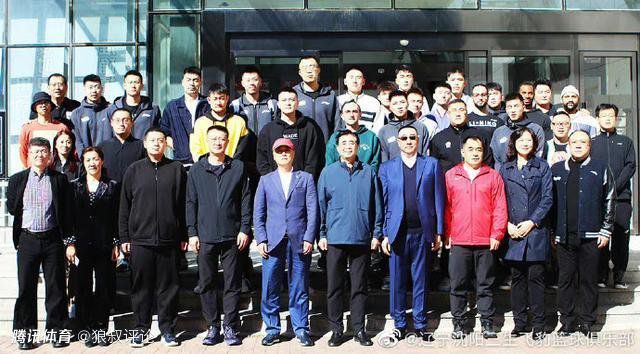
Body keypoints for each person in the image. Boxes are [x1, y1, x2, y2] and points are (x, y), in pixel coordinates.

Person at [119, 127, 188, 347]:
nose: (157, 144)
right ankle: (141, 329)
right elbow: (124, 207)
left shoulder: (176, 169)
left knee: (169, 287)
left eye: (160, 140)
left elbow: (185, 205)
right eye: (152, 140)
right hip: (140, 240)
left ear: (166, 144)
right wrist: (124, 238)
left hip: (169, 240)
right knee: (141, 288)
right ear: (145, 143)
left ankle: (168, 329)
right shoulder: (134, 170)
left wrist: (185, 233)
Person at [379, 126, 446, 342]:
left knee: (421, 280)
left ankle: (420, 324)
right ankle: (399, 324)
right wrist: (384, 233)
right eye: (404, 138)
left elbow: (439, 199)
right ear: (397, 142)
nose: (408, 141)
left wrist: (438, 231)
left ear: (418, 141)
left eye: (412, 138)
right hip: (397, 232)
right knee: (397, 281)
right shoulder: (387, 167)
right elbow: (383, 202)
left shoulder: (431, 164)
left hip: (423, 232)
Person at [186, 125, 251, 346]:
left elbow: (245, 200)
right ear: (206, 141)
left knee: (232, 283)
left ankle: (230, 326)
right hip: (204, 235)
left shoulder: (238, 167)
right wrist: (192, 232)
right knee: (206, 283)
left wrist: (244, 228)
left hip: (232, 235)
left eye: (222, 139)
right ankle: (212, 326)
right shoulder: (196, 169)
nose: (218, 143)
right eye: (213, 139)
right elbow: (190, 202)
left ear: (228, 141)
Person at [318, 130, 382, 347]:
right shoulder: (328, 172)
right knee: (334, 287)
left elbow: (377, 205)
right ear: (337, 148)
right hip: (335, 237)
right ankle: (336, 329)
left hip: (361, 237)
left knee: (359, 287)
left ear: (358, 146)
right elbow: (321, 207)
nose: (348, 146)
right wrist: (322, 233)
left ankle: (359, 329)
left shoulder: (369, 172)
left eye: (352, 143)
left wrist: (376, 233)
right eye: (344, 143)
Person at [7, 137, 72, 349]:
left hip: (52, 239)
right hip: (27, 240)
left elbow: (66, 211)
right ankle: (25, 335)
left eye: (44, 151)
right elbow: (11, 207)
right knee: (26, 289)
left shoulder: (59, 179)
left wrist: (69, 241)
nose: (40, 155)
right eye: (35, 152)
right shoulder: (17, 179)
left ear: (50, 155)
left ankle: (57, 333)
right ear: (28, 155)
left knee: (56, 288)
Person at [253, 138, 318, 347]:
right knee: (270, 286)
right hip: (272, 240)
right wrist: (261, 238)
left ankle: (300, 329)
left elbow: (313, 210)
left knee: (299, 286)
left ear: (293, 153)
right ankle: (272, 329)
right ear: (273, 155)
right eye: (279, 151)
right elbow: (259, 212)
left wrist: (310, 236)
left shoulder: (305, 178)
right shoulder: (265, 180)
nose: (283, 154)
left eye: (287, 150)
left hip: (299, 240)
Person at [551, 129, 616, 338]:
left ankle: (588, 321)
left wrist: (606, 229)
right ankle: (567, 322)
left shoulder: (601, 168)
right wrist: (553, 231)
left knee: (589, 280)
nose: (578, 145)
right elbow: (550, 203)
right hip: (564, 236)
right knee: (565, 280)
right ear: (568, 145)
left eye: (583, 142)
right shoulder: (557, 169)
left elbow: (610, 199)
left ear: (590, 146)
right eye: (575, 142)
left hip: (592, 236)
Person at [444, 135, 507, 340]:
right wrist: (447, 233)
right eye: (470, 149)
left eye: (478, 149)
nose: (475, 152)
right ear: (462, 151)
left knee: (485, 284)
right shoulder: (452, 175)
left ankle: (487, 322)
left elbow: (500, 207)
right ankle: (459, 323)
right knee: (458, 284)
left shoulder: (493, 175)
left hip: (485, 240)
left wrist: (497, 233)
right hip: (459, 240)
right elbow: (446, 208)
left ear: (483, 151)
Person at [499, 128, 553, 341]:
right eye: (520, 139)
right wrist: (507, 225)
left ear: (535, 143)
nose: (525, 143)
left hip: (535, 230)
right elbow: (499, 199)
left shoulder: (542, 166)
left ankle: (539, 324)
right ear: (514, 143)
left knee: (536, 278)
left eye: (529, 139)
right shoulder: (505, 168)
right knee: (517, 279)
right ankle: (519, 322)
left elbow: (548, 198)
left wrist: (532, 222)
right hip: (513, 231)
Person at [65, 147, 120, 347]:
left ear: (102, 161)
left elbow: (117, 217)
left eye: (95, 159)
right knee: (82, 287)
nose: (92, 163)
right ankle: (85, 328)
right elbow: (68, 217)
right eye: (88, 160)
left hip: (105, 244)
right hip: (80, 246)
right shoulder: (74, 186)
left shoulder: (113, 186)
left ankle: (100, 328)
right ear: (83, 163)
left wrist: (116, 243)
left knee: (104, 287)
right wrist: (69, 243)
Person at [591, 103, 636, 289]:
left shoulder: (626, 142)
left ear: (616, 118)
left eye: (611, 115)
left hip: (621, 198)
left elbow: (630, 166)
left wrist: (614, 188)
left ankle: (618, 276)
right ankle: (601, 275)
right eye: (604, 115)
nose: (607, 118)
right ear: (597, 119)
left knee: (620, 237)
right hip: (598, 199)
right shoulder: (592, 142)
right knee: (601, 237)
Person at [256, 87, 325, 180]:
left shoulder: (310, 127)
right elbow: (262, 162)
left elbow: (315, 158)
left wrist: (304, 181)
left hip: (304, 184)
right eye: (284, 100)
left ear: (298, 103)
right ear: (279, 104)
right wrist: (274, 181)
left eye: (292, 100)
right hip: (276, 185)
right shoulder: (268, 130)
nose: (288, 103)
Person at [161, 67, 211, 164]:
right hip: (181, 160)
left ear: (200, 82)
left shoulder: (208, 104)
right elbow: (164, 132)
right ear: (183, 82)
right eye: (188, 80)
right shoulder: (172, 107)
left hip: (205, 159)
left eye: (195, 80)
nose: (192, 83)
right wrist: (176, 146)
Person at [190, 83, 250, 162]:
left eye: (221, 98)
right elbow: (195, 149)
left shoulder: (238, 122)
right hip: (206, 168)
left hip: (232, 167)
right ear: (209, 100)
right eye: (215, 99)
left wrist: (232, 165)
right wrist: (205, 165)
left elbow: (241, 150)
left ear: (227, 99)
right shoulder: (200, 123)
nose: (218, 103)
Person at [490, 93, 545, 171]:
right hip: (504, 177)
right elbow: (496, 160)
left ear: (523, 107)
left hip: (529, 176)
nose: (513, 110)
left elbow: (538, 156)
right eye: (509, 107)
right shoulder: (499, 132)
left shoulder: (536, 129)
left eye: (516, 106)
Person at [325, 100, 381, 171]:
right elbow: (330, 163)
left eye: (354, 111)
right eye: (347, 111)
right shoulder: (335, 137)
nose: (351, 115)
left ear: (360, 114)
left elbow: (375, 164)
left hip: (364, 178)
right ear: (342, 116)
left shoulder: (371, 137)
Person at [293, 55, 339, 141]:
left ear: (318, 70)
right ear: (300, 73)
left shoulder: (330, 95)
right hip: (301, 148)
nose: (308, 70)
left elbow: (337, 124)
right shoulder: (293, 94)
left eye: (312, 66)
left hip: (325, 148)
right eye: (304, 67)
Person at [106, 70, 161, 140]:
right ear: (124, 85)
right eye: (130, 82)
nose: (133, 86)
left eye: (136, 82)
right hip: (119, 149)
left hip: (144, 149)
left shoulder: (152, 109)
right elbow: (107, 134)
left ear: (142, 86)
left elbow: (158, 133)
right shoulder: (113, 109)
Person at [19, 92, 70, 168]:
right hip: (34, 170)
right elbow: (23, 149)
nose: (43, 105)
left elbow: (69, 147)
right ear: (35, 107)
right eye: (39, 103)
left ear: (51, 106)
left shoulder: (61, 127)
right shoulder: (27, 128)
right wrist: (26, 168)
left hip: (56, 170)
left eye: (46, 102)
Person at [378, 90, 430, 162]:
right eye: (395, 103)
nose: (399, 107)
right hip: (393, 172)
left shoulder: (421, 127)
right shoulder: (384, 131)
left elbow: (425, 155)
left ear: (407, 104)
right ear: (390, 106)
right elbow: (384, 159)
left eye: (402, 102)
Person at [97, 109, 146, 184]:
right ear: (111, 123)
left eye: (125, 120)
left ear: (132, 123)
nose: (121, 124)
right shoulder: (102, 147)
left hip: (134, 191)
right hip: (109, 192)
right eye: (117, 120)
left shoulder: (142, 146)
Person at [71, 74, 112, 157]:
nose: (94, 91)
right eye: (90, 87)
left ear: (101, 89)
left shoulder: (111, 109)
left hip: (109, 156)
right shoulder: (77, 113)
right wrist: (83, 156)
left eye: (97, 87)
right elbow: (77, 139)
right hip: (87, 159)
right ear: (84, 89)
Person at [337, 66, 384, 134]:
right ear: (345, 81)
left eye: (358, 77)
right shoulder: (337, 101)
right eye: (351, 77)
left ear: (363, 81)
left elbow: (378, 128)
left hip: (367, 142)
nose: (355, 81)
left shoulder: (374, 102)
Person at [231, 66, 277, 135]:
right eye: (248, 80)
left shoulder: (272, 104)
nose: (251, 83)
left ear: (261, 82)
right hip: (245, 145)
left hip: (266, 145)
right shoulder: (235, 106)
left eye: (255, 80)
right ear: (242, 83)